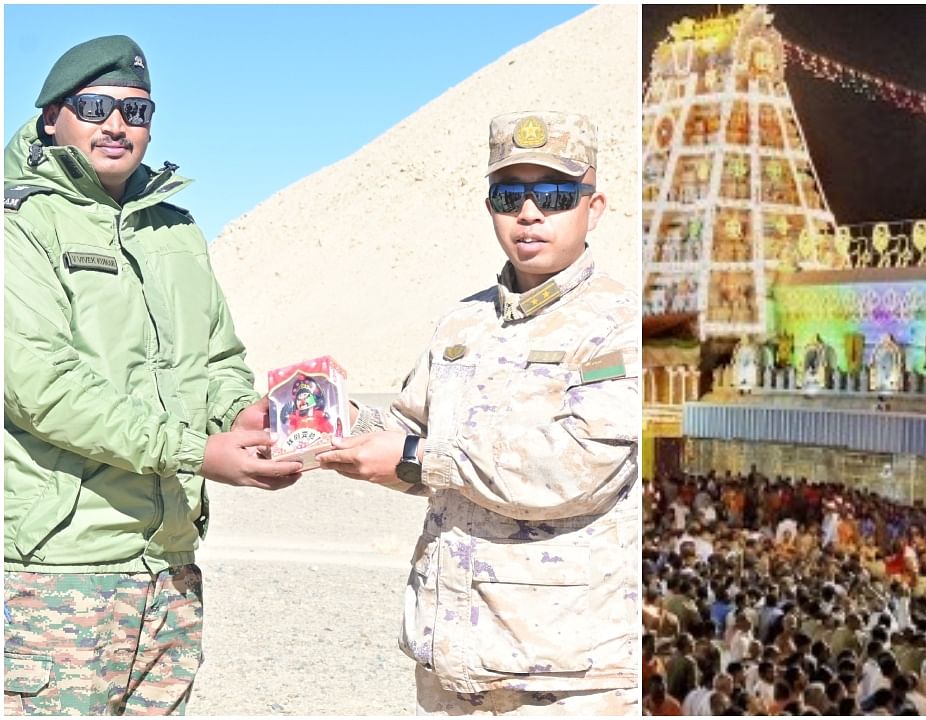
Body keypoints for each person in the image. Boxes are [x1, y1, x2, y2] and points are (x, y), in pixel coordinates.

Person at [4, 35, 301, 715]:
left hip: (170, 563)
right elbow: (40, 388)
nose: (117, 125)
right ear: (53, 116)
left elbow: (218, 358)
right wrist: (197, 452)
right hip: (60, 571)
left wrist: (242, 419)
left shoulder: (174, 229)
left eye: (136, 112)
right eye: (96, 106)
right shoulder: (19, 226)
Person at [317, 111, 637, 714]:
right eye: (509, 195)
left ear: (593, 209)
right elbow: (411, 431)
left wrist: (417, 459)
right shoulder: (463, 323)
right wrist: (337, 420)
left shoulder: (622, 326)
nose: (530, 213)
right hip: (455, 659)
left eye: (556, 195)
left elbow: (578, 468)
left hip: (567, 675)